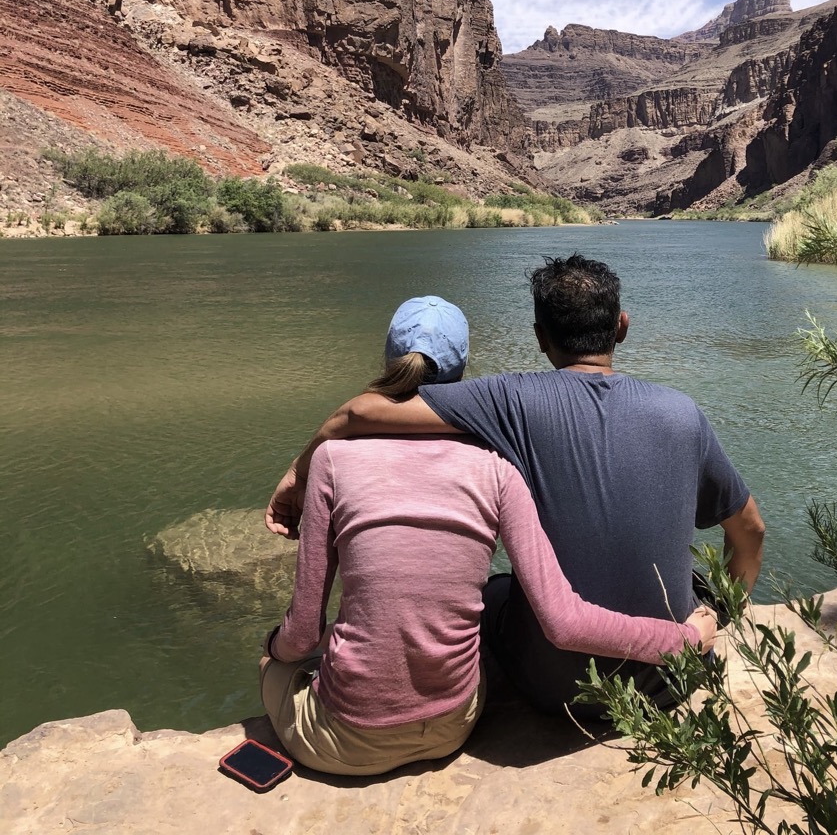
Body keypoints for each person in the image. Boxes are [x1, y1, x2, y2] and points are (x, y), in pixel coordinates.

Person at [266, 257, 764, 720]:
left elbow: (357, 413)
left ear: (540, 337)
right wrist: (720, 615)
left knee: (497, 590)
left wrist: (297, 476)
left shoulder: (511, 399)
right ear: (622, 326)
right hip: (671, 680)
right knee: (692, 581)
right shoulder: (683, 413)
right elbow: (750, 533)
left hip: (553, 687)